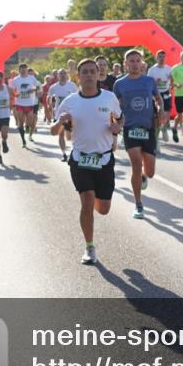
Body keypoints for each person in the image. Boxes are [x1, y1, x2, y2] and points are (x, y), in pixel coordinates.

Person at [52, 58, 124, 264]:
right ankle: (89, 247)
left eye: (93, 71)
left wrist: (117, 128)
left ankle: (91, 207)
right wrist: (61, 121)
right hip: (80, 159)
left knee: (103, 209)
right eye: (85, 72)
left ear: (98, 75)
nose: (90, 75)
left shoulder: (109, 98)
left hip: (104, 159)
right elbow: (53, 130)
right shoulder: (71, 101)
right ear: (79, 76)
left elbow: (120, 119)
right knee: (87, 200)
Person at [112, 50, 164, 219]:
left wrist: (162, 112)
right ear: (125, 63)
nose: (134, 64)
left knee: (149, 172)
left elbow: (158, 98)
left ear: (141, 63)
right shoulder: (119, 84)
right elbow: (114, 105)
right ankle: (139, 204)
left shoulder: (149, 81)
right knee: (135, 164)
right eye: (131, 61)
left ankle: (143, 175)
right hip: (130, 128)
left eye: (137, 60)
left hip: (148, 128)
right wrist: (115, 122)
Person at [49, 69, 79, 161]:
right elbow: (50, 100)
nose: (62, 75)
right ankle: (64, 154)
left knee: (70, 136)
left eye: (64, 73)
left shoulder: (72, 85)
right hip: (59, 114)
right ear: (57, 76)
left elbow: (78, 97)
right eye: (60, 73)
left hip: (71, 114)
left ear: (67, 75)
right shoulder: (53, 87)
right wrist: (52, 113)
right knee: (60, 134)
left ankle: (75, 151)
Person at [9, 63, 40, 148]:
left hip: (30, 103)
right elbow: (11, 90)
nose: (23, 70)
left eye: (24, 69)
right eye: (21, 69)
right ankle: (23, 140)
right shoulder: (15, 79)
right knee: (20, 122)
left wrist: (33, 90)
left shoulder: (31, 78)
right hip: (19, 103)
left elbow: (38, 87)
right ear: (19, 70)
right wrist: (15, 94)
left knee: (29, 121)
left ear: (27, 70)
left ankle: (27, 127)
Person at [147, 50, 175, 142]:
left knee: (167, 113)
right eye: (160, 57)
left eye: (163, 57)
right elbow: (148, 84)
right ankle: (158, 135)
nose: (162, 59)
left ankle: (164, 128)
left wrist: (171, 81)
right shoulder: (152, 70)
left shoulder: (168, 68)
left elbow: (172, 80)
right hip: (156, 94)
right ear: (156, 57)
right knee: (158, 115)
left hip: (166, 92)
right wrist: (156, 82)